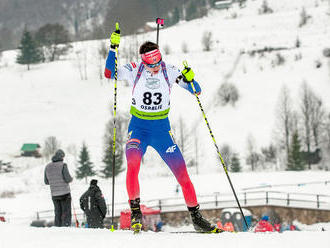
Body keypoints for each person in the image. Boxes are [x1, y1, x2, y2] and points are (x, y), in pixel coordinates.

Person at [104, 24, 222, 233]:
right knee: (132, 165)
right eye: (152, 65)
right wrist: (113, 49)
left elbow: (196, 91)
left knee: (183, 174)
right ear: (143, 62)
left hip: (161, 131)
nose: (156, 67)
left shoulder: (170, 70)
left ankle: (197, 218)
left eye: (158, 62)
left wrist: (190, 78)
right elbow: (108, 73)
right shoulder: (134, 70)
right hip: (138, 128)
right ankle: (135, 214)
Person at [44, 149, 73, 227]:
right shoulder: (63, 165)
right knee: (66, 213)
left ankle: (57, 228)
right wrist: (71, 179)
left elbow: (46, 182)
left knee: (58, 213)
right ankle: (66, 228)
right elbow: (68, 179)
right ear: (62, 156)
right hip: (65, 194)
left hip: (54, 194)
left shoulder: (47, 166)